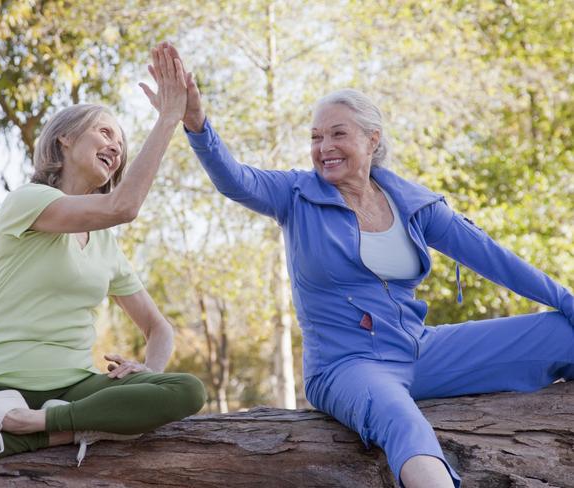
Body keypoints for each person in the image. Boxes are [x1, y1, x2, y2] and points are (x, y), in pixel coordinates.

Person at [168, 44, 574, 488]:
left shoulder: (413, 204)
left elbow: (496, 260)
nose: (324, 148)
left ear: (371, 139)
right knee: (404, 422)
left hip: (419, 349)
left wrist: (568, 302)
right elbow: (235, 179)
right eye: (315, 137)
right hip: (345, 365)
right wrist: (197, 124)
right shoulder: (295, 195)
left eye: (338, 135)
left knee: (562, 332)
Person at [0, 42, 206, 473]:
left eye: (122, 144)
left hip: (74, 387)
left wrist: (144, 368)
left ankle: (38, 424)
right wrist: (169, 116)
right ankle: (53, 430)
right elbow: (123, 208)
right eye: (105, 132)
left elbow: (158, 328)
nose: (116, 147)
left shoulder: (106, 244)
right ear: (66, 138)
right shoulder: (29, 201)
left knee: (186, 389)